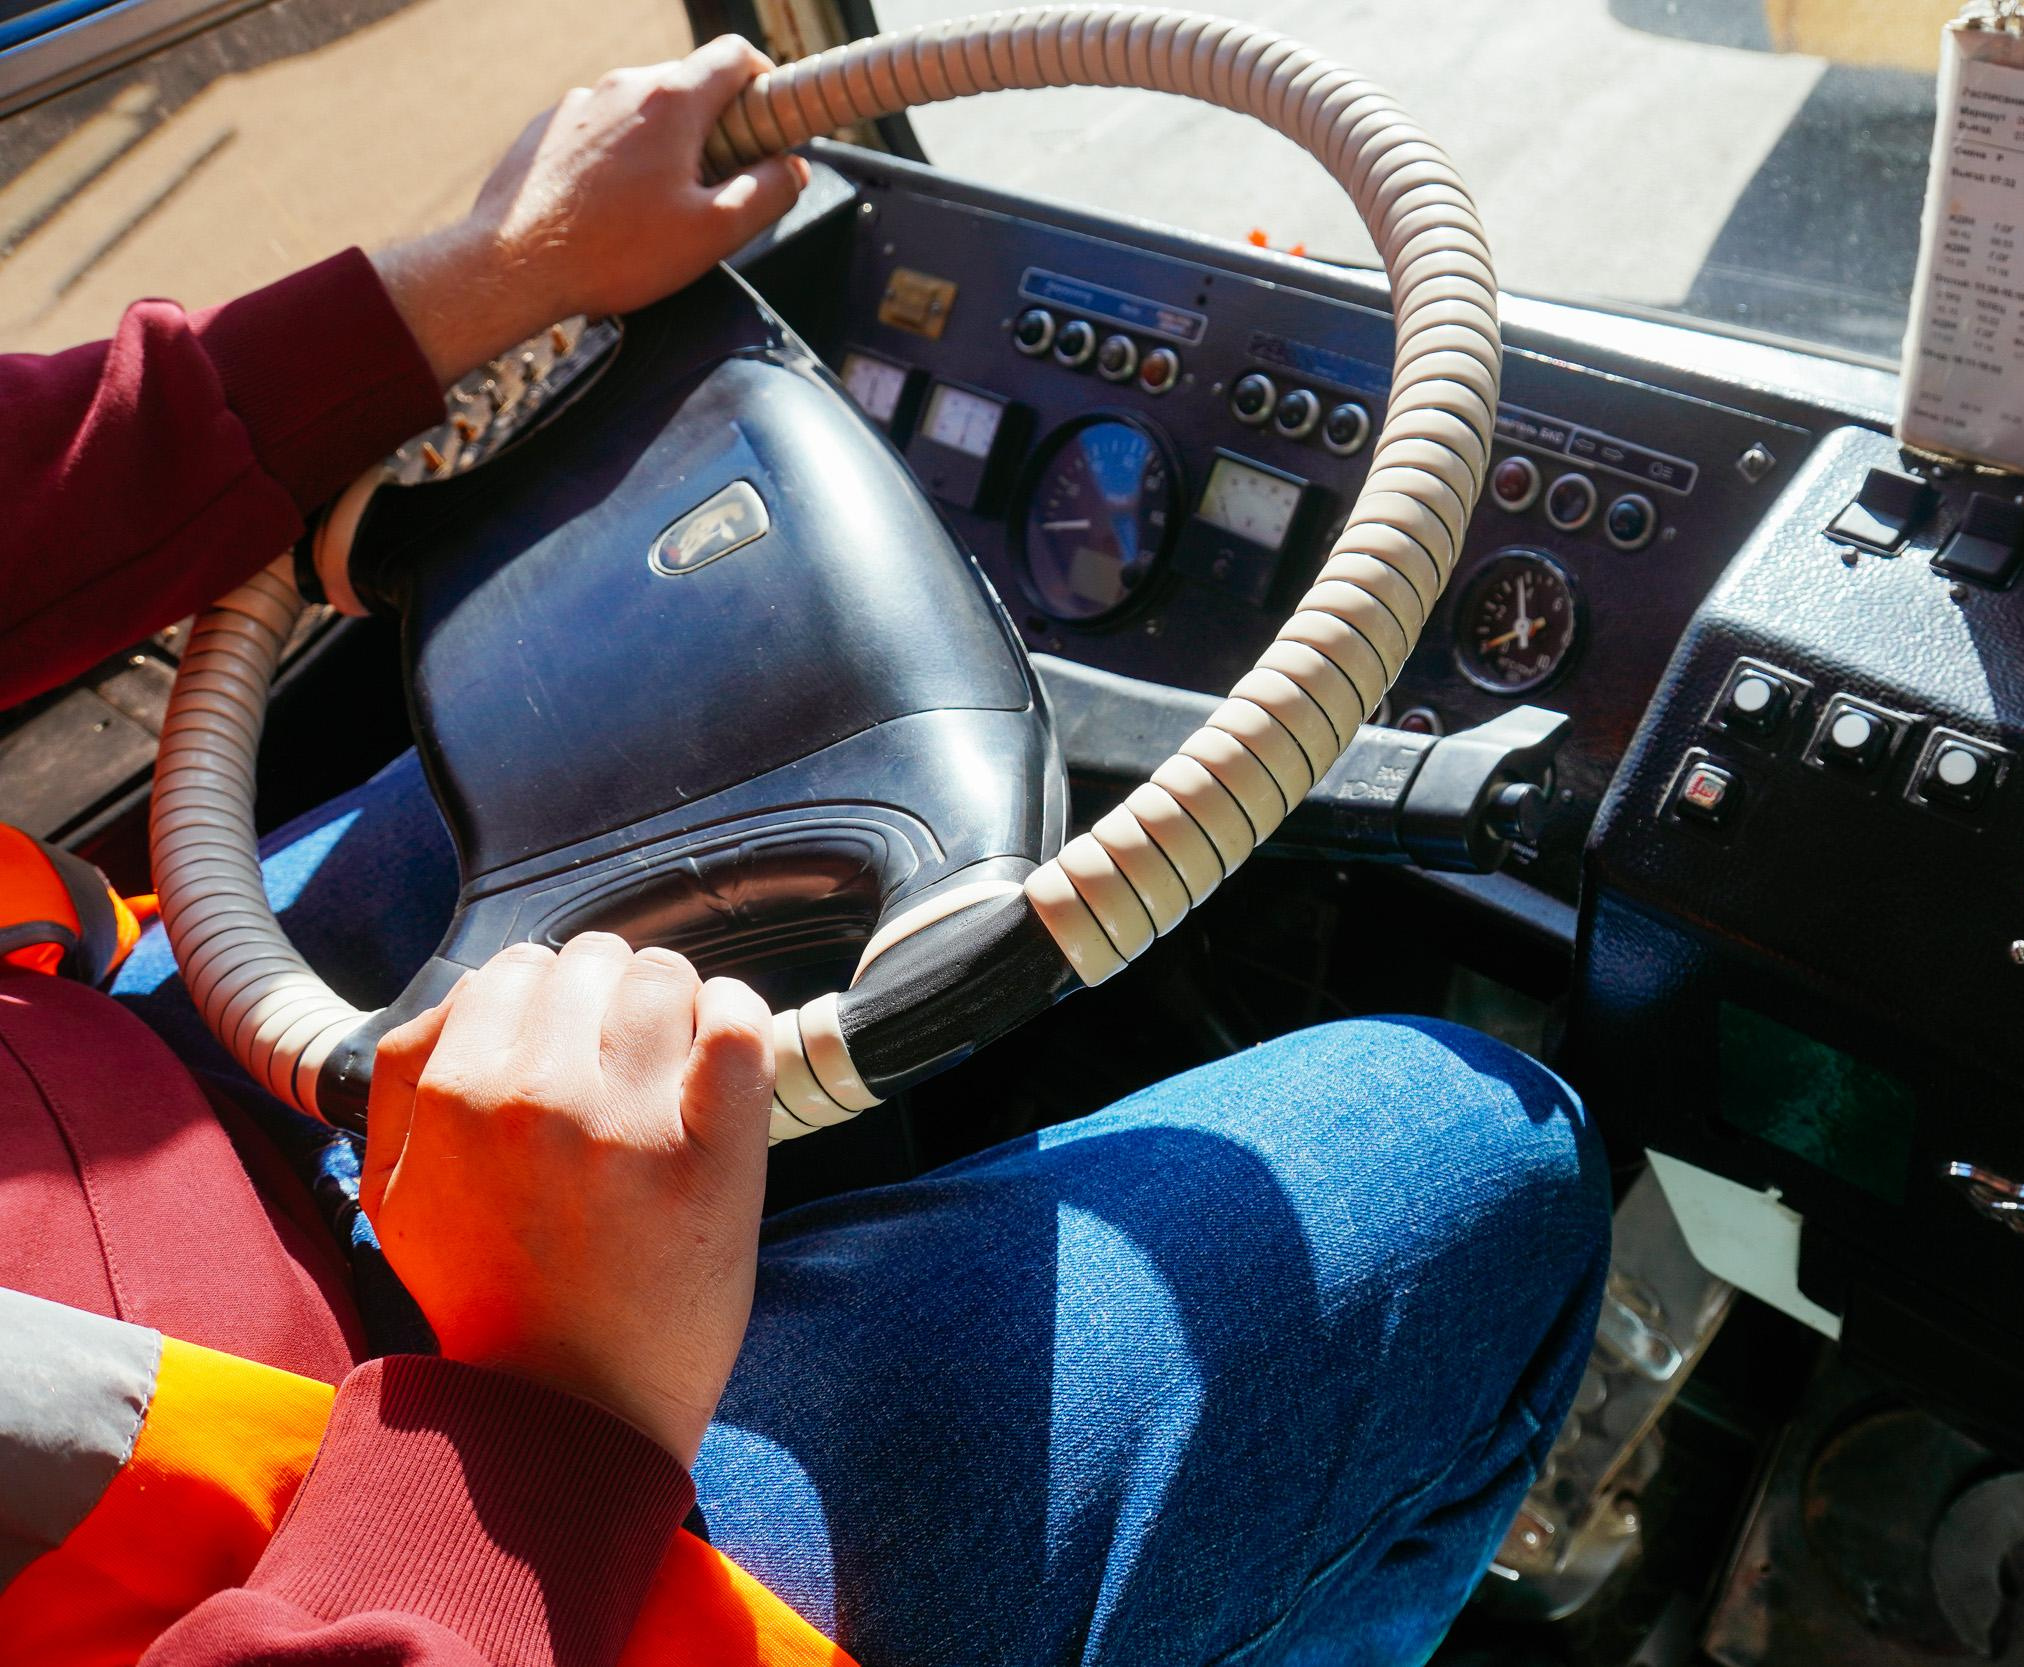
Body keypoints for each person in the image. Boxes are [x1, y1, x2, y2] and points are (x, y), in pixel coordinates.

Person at [0, 34, 1610, 1667]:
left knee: (608, 748)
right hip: (381, 1539)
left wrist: (485, 280)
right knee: (1484, 1154)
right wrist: (554, 1402)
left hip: (113, 1048)